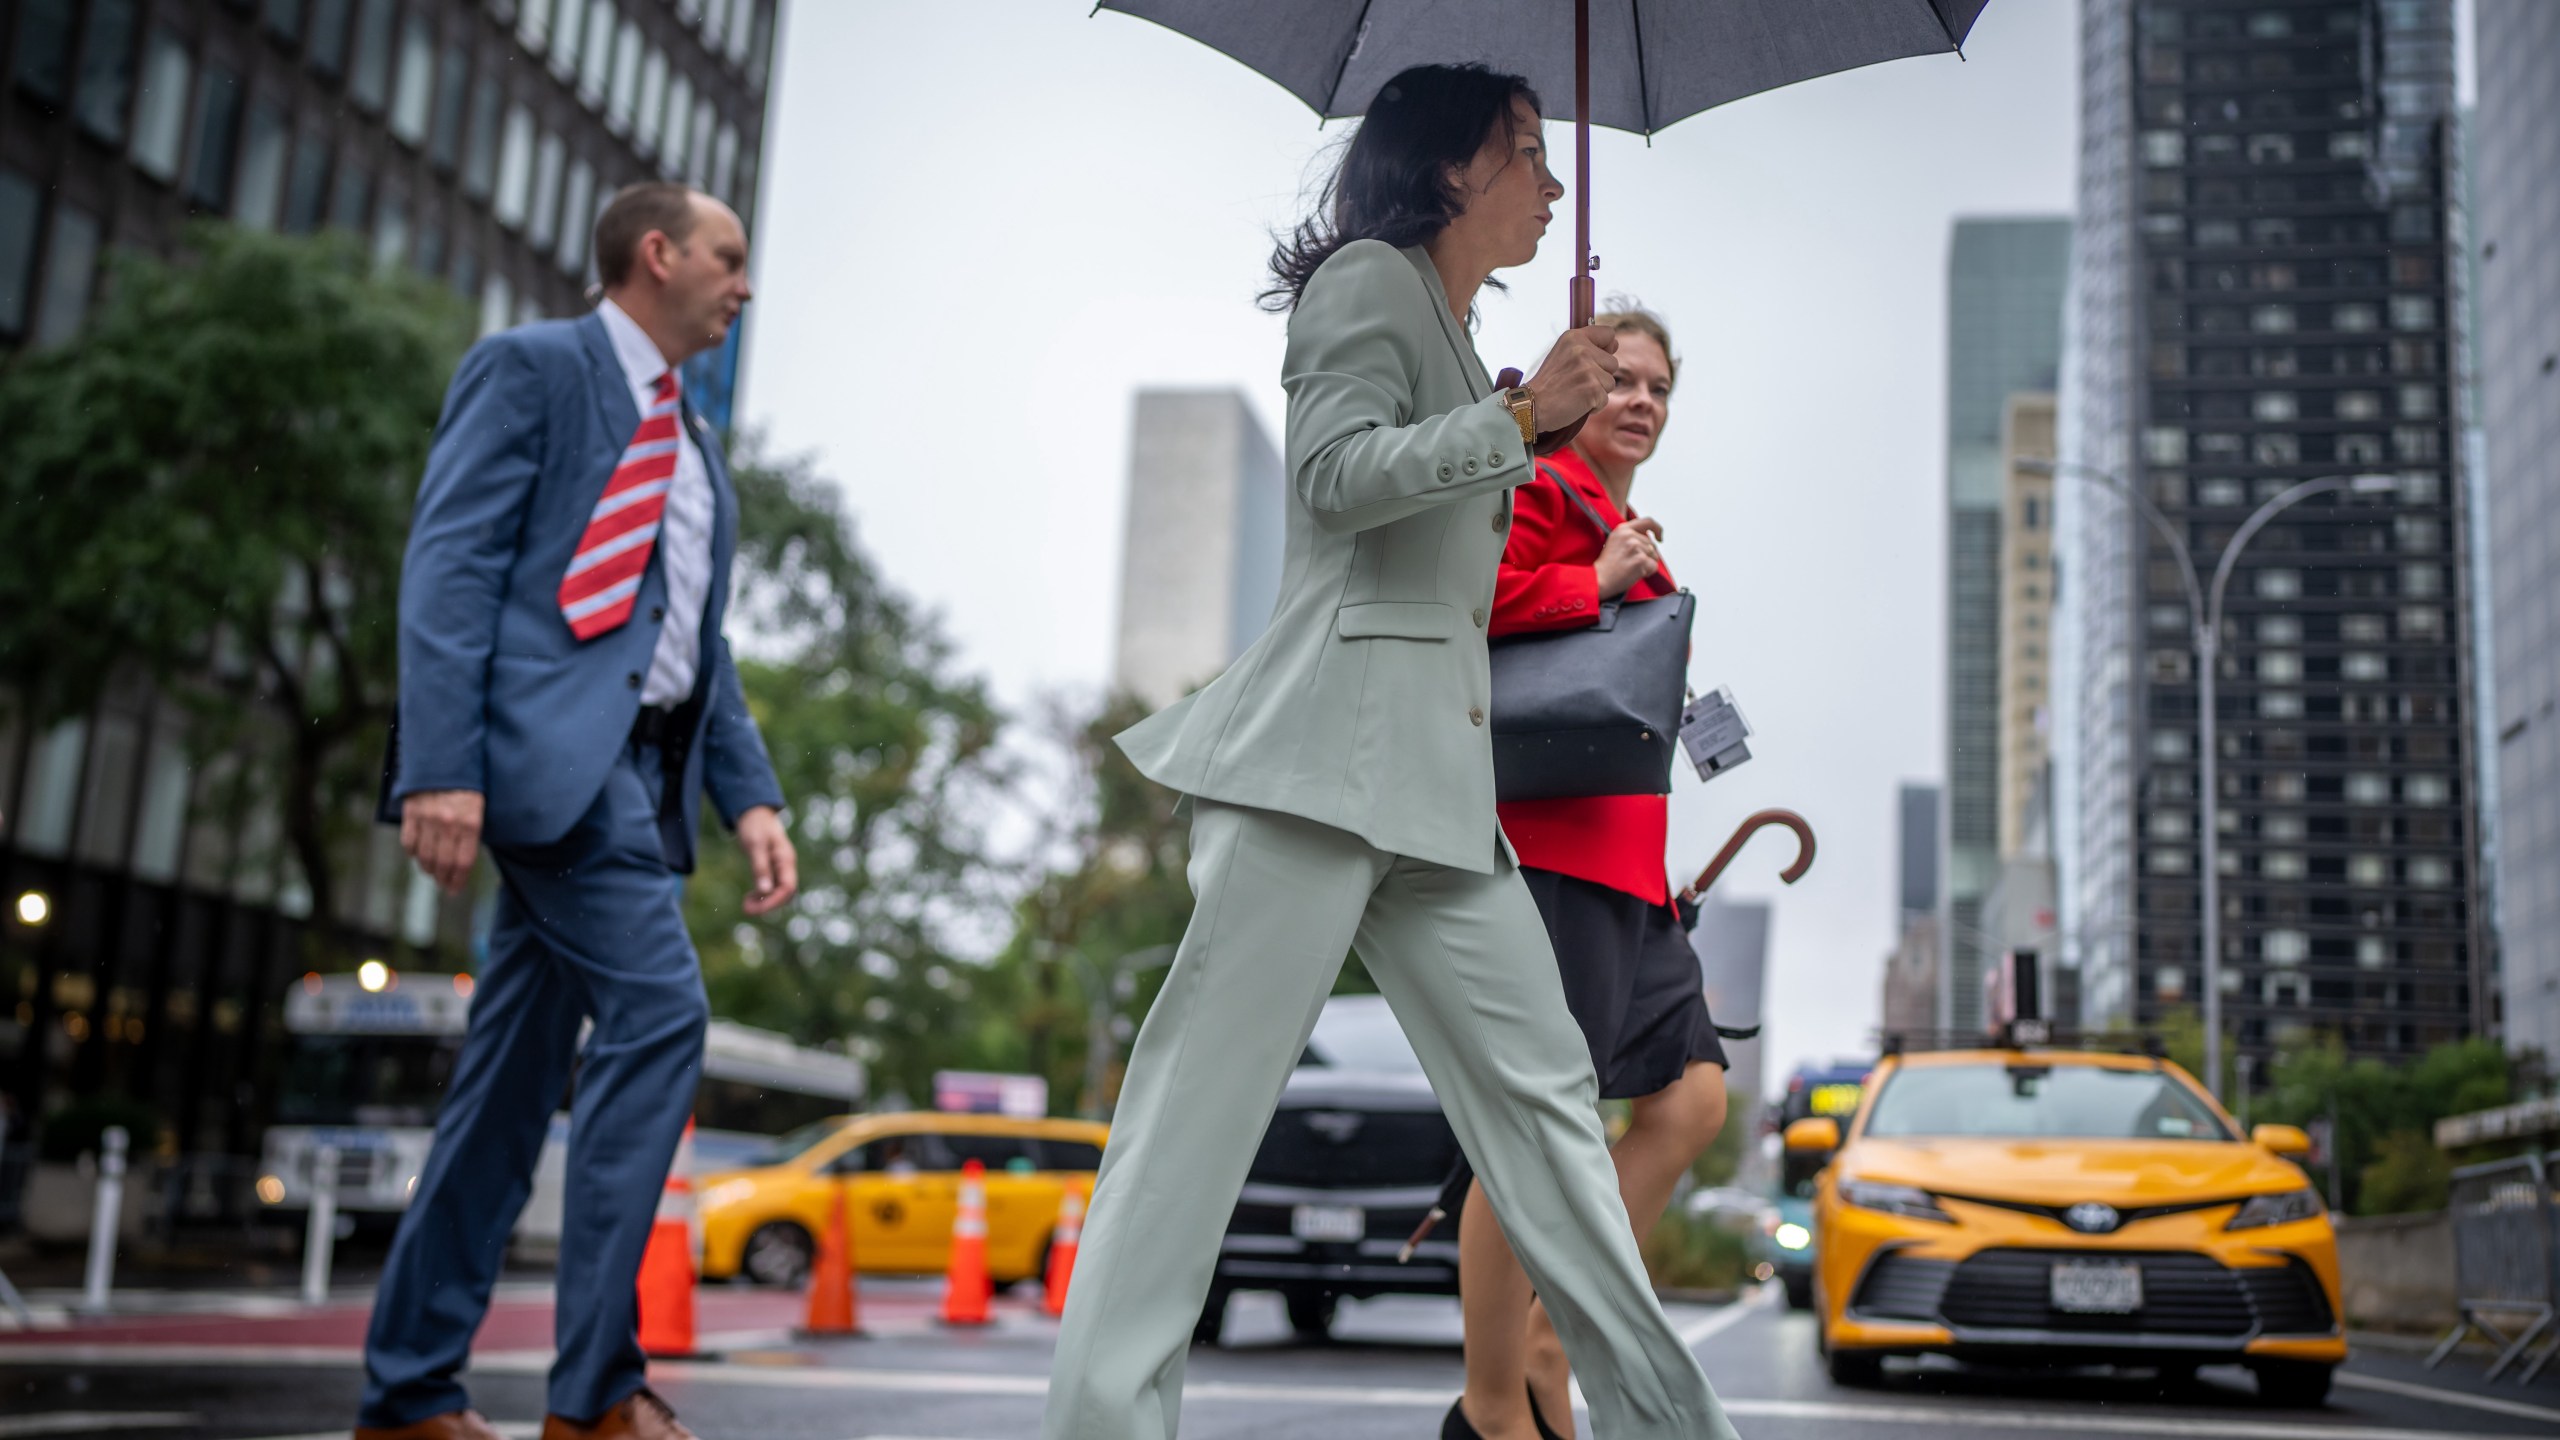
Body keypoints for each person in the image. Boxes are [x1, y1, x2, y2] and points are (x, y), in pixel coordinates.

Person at [1041, 64, 1738, 1440]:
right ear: (1451, 170)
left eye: (1549, 160)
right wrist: (1524, 420)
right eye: (1526, 156)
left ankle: (1672, 1427)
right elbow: (1334, 475)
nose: (1548, 183)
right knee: (1188, 1143)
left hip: (1438, 795)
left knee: (1549, 1127)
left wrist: (1559, 485)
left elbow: (1458, 592)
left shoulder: (1463, 329)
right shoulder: (1366, 282)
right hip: (1311, 774)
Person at [358, 182, 798, 1440]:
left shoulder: (697, 448)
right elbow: (450, 565)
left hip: (639, 778)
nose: (744, 284)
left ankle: (403, 1398)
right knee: (662, 1014)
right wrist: (440, 764)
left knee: (503, 1097)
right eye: (728, 258)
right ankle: (597, 1394)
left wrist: (749, 799)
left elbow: (691, 654)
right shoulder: (532, 370)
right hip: (547, 773)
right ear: (655, 255)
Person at [1461, 307, 1730, 1440]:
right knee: (1530, 1128)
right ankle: (1491, 1405)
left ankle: (1549, 1338)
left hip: (1633, 871)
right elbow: (1457, 614)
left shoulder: (1631, 528)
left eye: (1659, 387)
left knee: (1694, 1100)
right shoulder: (1527, 489)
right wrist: (1592, 581)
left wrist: (1622, 569)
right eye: (1619, 378)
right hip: (1549, 853)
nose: (1641, 401)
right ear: (1576, 381)